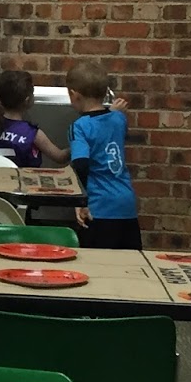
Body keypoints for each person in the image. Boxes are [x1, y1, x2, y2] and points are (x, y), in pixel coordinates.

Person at [67, 61, 141, 249]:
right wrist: (113, 111)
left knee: (97, 262)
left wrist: (80, 201)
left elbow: (81, 163)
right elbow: (108, 126)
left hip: (98, 207)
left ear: (74, 95)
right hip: (126, 204)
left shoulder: (80, 127)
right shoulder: (119, 118)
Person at [0, 69, 69, 167]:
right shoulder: (33, 134)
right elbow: (60, 157)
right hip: (23, 177)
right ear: (27, 100)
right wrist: (76, 145)